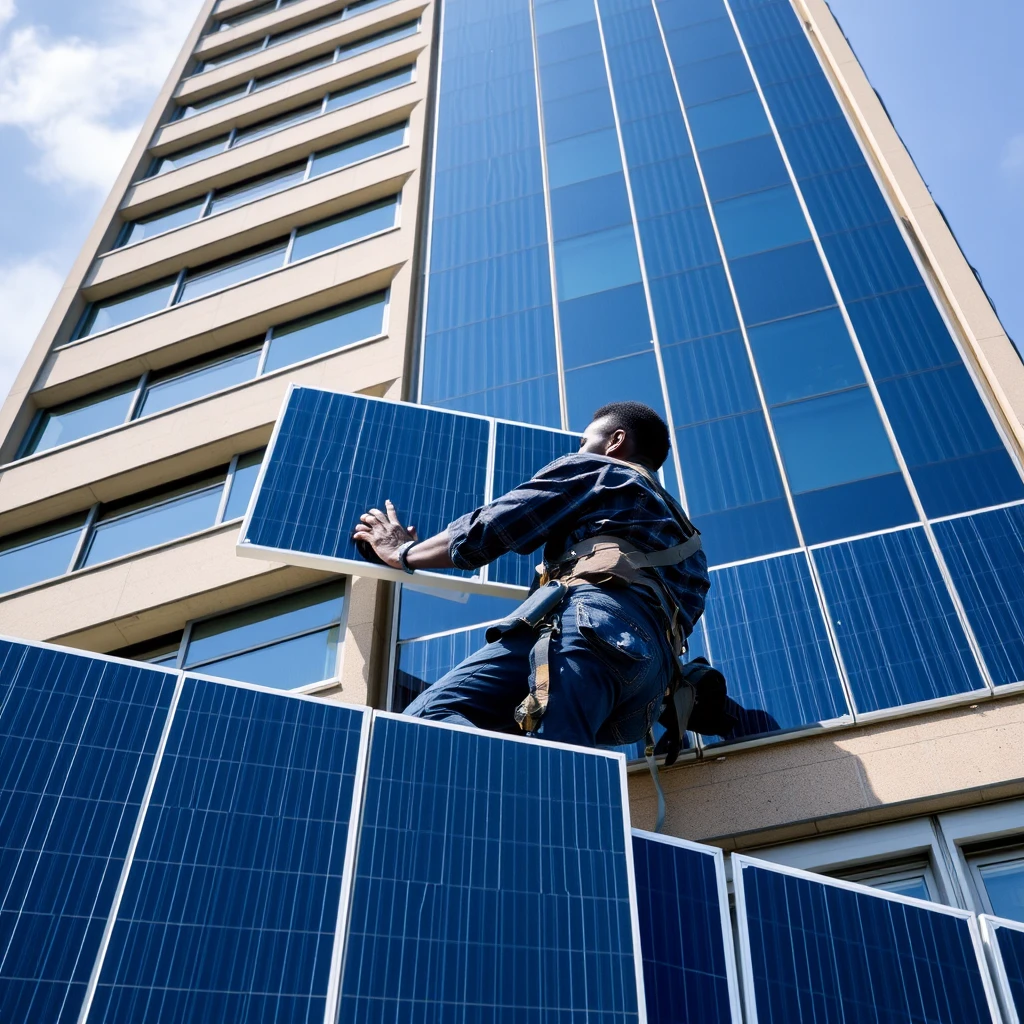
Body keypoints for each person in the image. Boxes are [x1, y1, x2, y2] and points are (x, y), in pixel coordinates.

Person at [353, 401, 710, 749]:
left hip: (592, 629)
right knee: (556, 769)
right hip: (647, 686)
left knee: (429, 717)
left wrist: (403, 552)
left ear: (615, 441)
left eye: (585, 441)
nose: (581, 448)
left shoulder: (599, 471)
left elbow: (491, 528)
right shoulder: (692, 546)